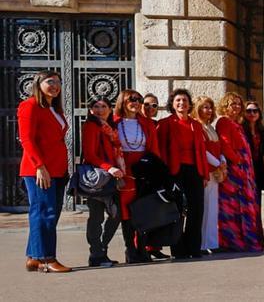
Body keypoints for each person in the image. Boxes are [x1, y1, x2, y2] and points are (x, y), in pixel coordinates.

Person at [18, 71, 72, 273]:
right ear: (38, 84)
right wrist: (40, 166)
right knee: (44, 213)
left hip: (57, 170)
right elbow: (27, 140)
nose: (55, 85)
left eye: (58, 82)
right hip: (39, 170)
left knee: (51, 213)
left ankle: (33, 256)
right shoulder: (30, 105)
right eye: (50, 81)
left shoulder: (53, 108)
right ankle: (46, 259)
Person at [113, 90, 160, 263]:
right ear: (122, 101)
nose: (136, 102)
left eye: (138, 99)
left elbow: (154, 148)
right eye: (131, 99)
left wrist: (155, 171)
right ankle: (130, 249)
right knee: (127, 211)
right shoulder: (114, 123)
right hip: (124, 169)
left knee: (144, 208)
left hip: (144, 168)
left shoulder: (146, 123)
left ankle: (142, 247)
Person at [214, 93, 264, 252]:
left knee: (245, 205)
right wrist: (237, 161)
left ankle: (246, 239)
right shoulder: (223, 121)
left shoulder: (237, 123)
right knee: (232, 206)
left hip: (245, 169)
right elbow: (225, 144)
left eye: (238, 104)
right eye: (231, 104)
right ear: (225, 106)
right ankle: (232, 241)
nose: (235, 106)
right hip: (235, 169)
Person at [163, 89, 209, 259]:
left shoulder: (195, 124)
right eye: (178, 100)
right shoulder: (166, 123)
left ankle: (194, 247)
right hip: (175, 171)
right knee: (177, 210)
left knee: (197, 209)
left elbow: (201, 151)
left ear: (189, 104)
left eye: (184, 100)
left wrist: (204, 174)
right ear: (172, 104)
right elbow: (161, 150)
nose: (182, 103)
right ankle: (178, 249)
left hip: (194, 170)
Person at [81, 98, 123, 267]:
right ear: (91, 110)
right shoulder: (91, 126)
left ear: (110, 109)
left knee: (117, 214)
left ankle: (102, 248)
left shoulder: (111, 128)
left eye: (103, 106)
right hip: (97, 177)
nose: (99, 109)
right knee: (96, 217)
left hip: (112, 176)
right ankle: (96, 254)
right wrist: (109, 168)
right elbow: (90, 154)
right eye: (95, 107)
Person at [192, 96, 225, 254]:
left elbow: (218, 148)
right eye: (205, 107)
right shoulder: (197, 126)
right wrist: (218, 163)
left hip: (216, 171)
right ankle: (202, 243)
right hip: (206, 170)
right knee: (204, 209)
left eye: (210, 107)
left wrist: (222, 160)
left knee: (212, 209)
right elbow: (202, 151)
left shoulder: (211, 127)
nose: (209, 110)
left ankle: (211, 242)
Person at [242, 100, 264, 208]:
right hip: (245, 169)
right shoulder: (241, 129)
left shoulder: (261, 130)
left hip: (258, 169)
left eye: (255, 111)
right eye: (249, 111)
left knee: (257, 200)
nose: (252, 113)